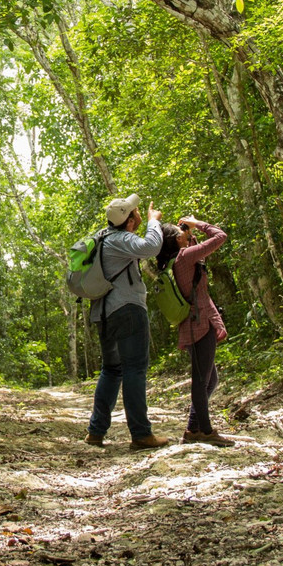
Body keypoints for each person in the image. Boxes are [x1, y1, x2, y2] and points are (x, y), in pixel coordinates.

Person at [85, 193, 169, 451]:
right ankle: (141, 434)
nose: (139, 213)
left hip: (104, 312)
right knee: (134, 369)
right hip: (127, 310)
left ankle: (96, 432)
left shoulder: (102, 237)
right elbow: (152, 247)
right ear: (131, 220)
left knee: (112, 370)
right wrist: (154, 222)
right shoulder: (122, 239)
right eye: (136, 212)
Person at [166, 214, 234, 447]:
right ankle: (204, 431)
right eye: (180, 231)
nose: (185, 231)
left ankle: (193, 427)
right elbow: (220, 236)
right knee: (201, 380)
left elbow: (199, 259)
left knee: (210, 379)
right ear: (175, 240)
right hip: (199, 324)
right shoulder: (184, 256)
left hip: (198, 322)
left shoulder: (180, 258)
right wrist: (199, 224)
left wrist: (189, 232)